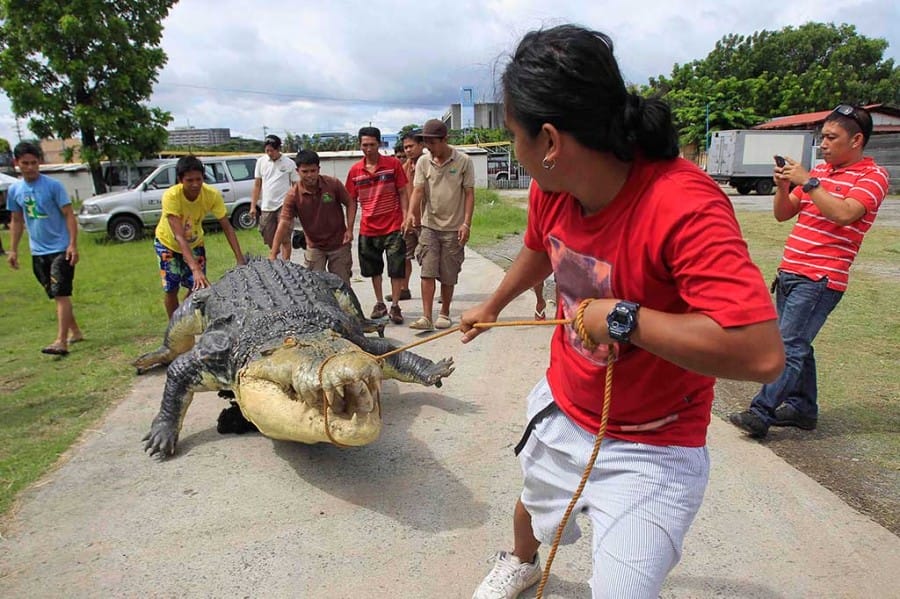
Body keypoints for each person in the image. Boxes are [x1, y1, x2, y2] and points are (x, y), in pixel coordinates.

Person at [460, 25, 784, 599]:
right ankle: (522, 561)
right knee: (534, 506)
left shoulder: (683, 205)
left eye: (515, 135)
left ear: (551, 141)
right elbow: (541, 246)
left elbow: (760, 354)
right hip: (565, 406)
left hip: (653, 446)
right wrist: (491, 305)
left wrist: (623, 318)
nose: (516, 150)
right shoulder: (551, 188)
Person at [729, 105, 889, 439]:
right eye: (823, 137)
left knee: (789, 345)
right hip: (790, 272)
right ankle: (803, 408)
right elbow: (783, 214)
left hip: (821, 277)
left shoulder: (872, 177)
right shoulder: (822, 173)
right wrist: (783, 186)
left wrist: (809, 181)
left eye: (832, 137)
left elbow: (845, 214)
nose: (824, 144)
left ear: (857, 140)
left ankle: (761, 412)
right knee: (799, 343)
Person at [6, 141, 84, 356]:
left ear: (39, 162)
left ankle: (61, 341)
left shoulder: (53, 186)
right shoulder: (15, 190)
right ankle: (75, 331)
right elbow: (17, 219)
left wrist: (72, 244)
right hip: (37, 251)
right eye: (25, 163)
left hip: (60, 248)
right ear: (17, 164)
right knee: (56, 294)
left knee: (61, 294)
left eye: (34, 163)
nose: (30, 167)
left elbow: (69, 214)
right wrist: (13, 250)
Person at [403, 119, 475, 331]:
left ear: (445, 140)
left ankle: (444, 313)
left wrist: (466, 223)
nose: (429, 148)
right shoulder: (424, 162)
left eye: (433, 143)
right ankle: (426, 317)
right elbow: (418, 190)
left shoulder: (463, 161)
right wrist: (410, 215)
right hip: (429, 226)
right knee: (427, 270)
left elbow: (469, 194)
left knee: (448, 273)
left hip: (453, 228)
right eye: (426, 143)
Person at [154, 155, 246, 320]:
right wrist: (195, 269)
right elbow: (179, 236)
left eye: (199, 179)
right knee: (171, 288)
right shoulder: (171, 196)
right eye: (189, 180)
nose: (195, 184)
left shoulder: (211, 195)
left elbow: (227, 226)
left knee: (199, 286)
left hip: (195, 242)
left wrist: (239, 259)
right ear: (180, 180)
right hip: (168, 243)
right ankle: (173, 325)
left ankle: (183, 315)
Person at [345, 126, 408, 324]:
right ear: (359, 145)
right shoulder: (355, 171)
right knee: (374, 270)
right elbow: (351, 202)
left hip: (393, 226)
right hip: (368, 228)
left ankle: (395, 305)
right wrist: (349, 229)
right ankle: (380, 303)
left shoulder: (393, 165)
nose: (369, 148)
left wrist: (407, 217)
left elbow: (403, 192)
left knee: (396, 268)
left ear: (379, 144)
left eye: (372, 144)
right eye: (365, 145)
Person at [269, 150, 357, 285]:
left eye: (313, 171)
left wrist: (349, 229)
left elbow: (350, 203)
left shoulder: (333, 184)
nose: (309, 175)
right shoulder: (293, 195)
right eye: (305, 172)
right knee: (314, 286)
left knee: (342, 286)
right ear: (297, 171)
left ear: (318, 169)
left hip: (339, 244)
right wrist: (274, 252)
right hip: (315, 246)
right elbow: (284, 222)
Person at [387, 129, 426, 303]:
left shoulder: (430, 164)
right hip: (409, 220)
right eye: (405, 147)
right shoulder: (403, 169)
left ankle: (436, 291)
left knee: (430, 258)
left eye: (411, 146)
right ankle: (404, 288)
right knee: (405, 256)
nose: (408, 150)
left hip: (428, 220)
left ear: (421, 145)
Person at [251, 134, 297, 254]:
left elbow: (295, 185)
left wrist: (296, 205)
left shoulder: (289, 163)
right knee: (268, 236)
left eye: (272, 150)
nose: (270, 153)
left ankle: (287, 265)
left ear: (278, 149)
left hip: (284, 205)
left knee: (285, 238)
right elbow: (257, 185)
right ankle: (275, 260)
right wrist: (253, 206)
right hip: (267, 206)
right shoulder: (261, 162)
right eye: (267, 151)